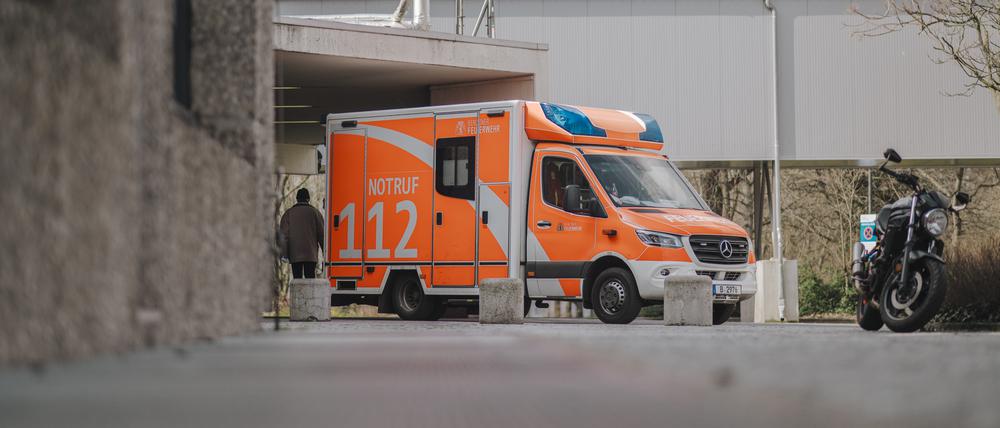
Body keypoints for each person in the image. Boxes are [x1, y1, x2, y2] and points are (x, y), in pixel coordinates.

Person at [279, 188, 325, 279]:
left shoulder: (288, 214)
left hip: (295, 254)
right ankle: (309, 294)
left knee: (297, 280)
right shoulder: (315, 213)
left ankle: (298, 293)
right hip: (311, 254)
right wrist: (325, 252)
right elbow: (322, 235)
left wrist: (284, 254)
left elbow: (283, 236)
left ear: (297, 199)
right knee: (310, 280)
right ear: (308, 199)